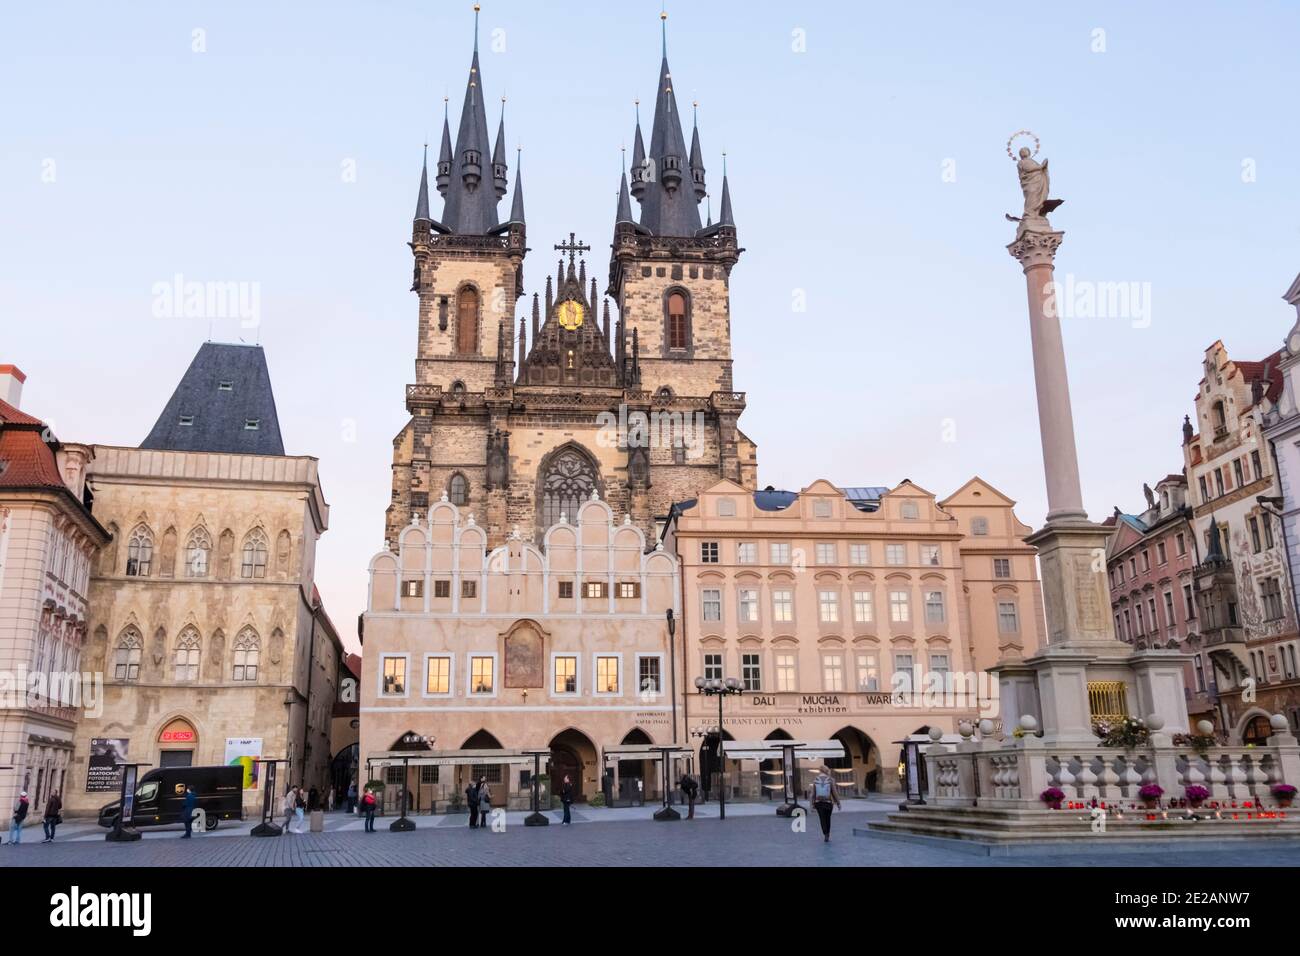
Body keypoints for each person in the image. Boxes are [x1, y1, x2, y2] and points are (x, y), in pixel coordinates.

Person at [809, 765, 841, 842]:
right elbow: (834, 792)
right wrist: (838, 802)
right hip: (828, 803)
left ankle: (825, 833)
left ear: (820, 771)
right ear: (827, 771)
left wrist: (812, 804)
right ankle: (828, 834)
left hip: (819, 803)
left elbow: (813, 794)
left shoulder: (816, 779)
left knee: (822, 819)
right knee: (828, 819)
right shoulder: (831, 780)